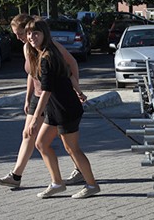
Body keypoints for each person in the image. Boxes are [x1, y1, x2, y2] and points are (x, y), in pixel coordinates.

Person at [0, 14, 84, 188]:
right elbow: (32, 73)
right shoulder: (27, 48)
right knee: (28, 134)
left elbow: (71, 63)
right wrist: (27, 98)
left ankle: (79, 171)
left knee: (63, 139)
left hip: (52, 97)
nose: (18, 38)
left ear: (31, 30)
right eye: (16, 34)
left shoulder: (50, 46)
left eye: (20, 34)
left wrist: (75, 89)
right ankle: (16, 176)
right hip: (38, 96)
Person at [25, 17, 99, 199]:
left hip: (66, 109)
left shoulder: (48, 56)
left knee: (72, 148)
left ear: (44, 34)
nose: (31, 36)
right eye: (29, 33)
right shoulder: (41, 53)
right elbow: (68, 74)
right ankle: (57, 183)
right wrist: (79, 91)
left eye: (36, 33)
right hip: (55, 110)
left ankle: (92, 185)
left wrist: (34, 118)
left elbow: (47, 90)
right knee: (41, 144)